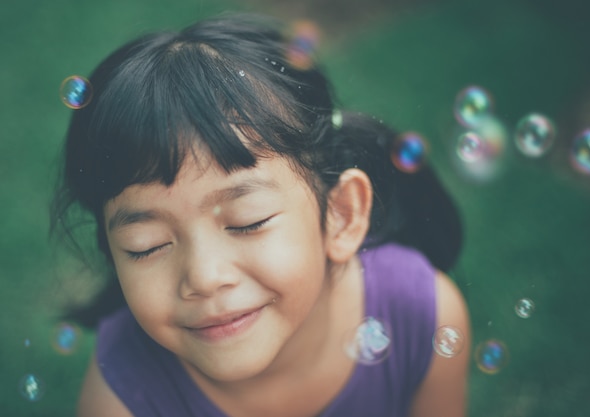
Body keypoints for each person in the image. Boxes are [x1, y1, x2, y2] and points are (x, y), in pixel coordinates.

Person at [52, 13, 470, 417]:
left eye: (247, 221)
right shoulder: (121, 398)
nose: (204, 277)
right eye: (146, 246)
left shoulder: (423, 316)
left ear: (340, 214)